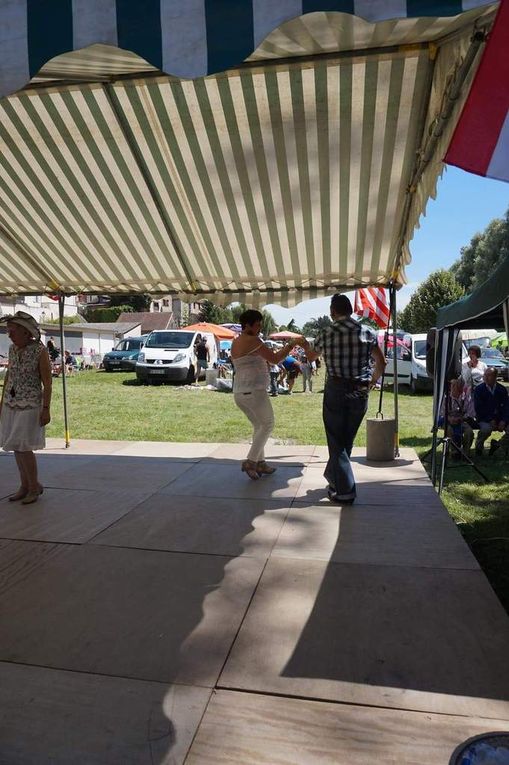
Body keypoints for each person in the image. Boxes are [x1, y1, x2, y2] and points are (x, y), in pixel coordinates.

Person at [303, 294, 385, 504]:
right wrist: (372, 382)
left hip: (337, 388)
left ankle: (345, 491)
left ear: (333, 311)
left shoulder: (326, 332)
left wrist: (305, 345)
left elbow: (311, 357)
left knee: (336, 440)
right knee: (346, 438)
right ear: (350, 310)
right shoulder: (368, 331)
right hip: (360, 390)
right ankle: (334, 477)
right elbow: (381, 363)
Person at [231, 309, 303, 480]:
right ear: (247, 325)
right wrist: (291, 344)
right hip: (253, 391)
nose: (259, 328)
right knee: (268, 424)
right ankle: (251, 461)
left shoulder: (237, 341)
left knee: (259, 426)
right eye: (257, 324)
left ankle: (260, 462)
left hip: (240, 392)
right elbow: (275, 359)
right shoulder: (253, 340)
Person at [0, 311, 52, 504]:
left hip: (30, 404)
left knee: (24, 446)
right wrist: (1, 402)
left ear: (25, 332)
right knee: (15, 445)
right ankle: (25, 485)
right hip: (11, 403)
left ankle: (33, 487)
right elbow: (9, 377)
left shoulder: (40, 351)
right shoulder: (13, 349)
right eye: (8, 331)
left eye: (12, 331)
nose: (10, 335)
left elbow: (47, 382)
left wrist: (46, 408)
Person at [473, 367, 509, 456]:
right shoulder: (479, 389)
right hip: (484, 418)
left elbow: (506, 407)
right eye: (485, 375)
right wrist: (490, 419)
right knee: (486, 429)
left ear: (495, 377)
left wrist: (503, 420)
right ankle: (479, 446)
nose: (486, 377)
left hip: (500, 419)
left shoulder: (502, 389)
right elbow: (479, 408)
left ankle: (498, 444)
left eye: (489, 375)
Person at [439, 377, 475, 455]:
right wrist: (449, 418)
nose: (453, 389)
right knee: (449, 430)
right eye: (452, 386)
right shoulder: (446, 398)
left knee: (469, 432)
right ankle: (454, 451)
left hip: (462, 421)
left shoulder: (466, 398)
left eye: (456, 387)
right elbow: (442, 413)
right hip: (448, 421)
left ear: (461, 389)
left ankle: (466, 453)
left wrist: (460, 418)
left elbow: (470, 413)